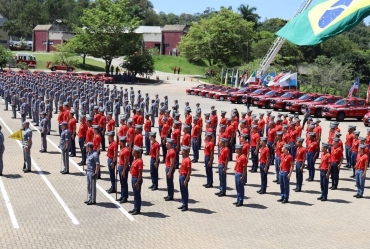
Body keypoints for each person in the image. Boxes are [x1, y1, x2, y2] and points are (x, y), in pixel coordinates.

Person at [129, 146, 144, 215]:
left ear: (137, 153)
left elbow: (140, 174)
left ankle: (138, 209)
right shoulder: (135, 159)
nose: (132, 152)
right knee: (135, 194)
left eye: (133, 151)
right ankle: (135, 208)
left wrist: (137, 182)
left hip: (136, 179)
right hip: (133, 178)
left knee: (137, 194)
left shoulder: (140, 161)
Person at [178, 145, 192, 211]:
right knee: (182, 191)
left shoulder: (188, 160)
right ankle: (183, 203)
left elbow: (189, 171)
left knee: (185, 191)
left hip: (184, 177)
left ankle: (185, 205)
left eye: (182, 150)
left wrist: (186, 180)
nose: (181, 151)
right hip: (181, 175)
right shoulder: (184, 158)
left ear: (186, 152)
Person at [117, 136, 130, 203]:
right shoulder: (122, 149)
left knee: (124, 182)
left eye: (120, 142)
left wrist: (124, 171)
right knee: (121, 182)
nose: (119, 143)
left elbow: (126, 162)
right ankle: (122, 195)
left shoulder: (126, 150)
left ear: (123, 142)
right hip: (120, 166)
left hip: (123, 167)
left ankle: (125, 197)